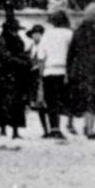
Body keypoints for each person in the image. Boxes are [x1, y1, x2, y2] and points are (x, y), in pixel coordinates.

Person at [66, 3, 95, 140]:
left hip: (78, 70)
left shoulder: (78, 32)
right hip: (92, 70)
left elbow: (71, 53)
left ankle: (70, 123)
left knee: (76, 97)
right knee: (91, 99)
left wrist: (69, 70)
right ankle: (89, 129)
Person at [37, 10, 75, 140]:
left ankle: (54, 127)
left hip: (49, 70)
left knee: (51, 101)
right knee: (65, 100)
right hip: (65, 71)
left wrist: (41, 76)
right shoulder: (70, 34)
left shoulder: (46, 35)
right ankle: (70, 124)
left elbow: (41, 56)